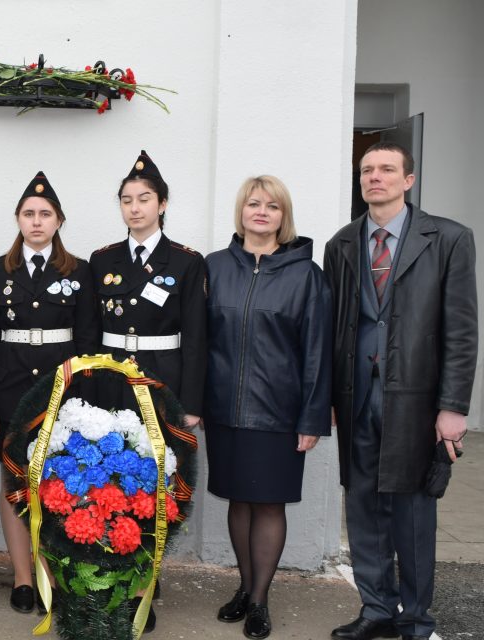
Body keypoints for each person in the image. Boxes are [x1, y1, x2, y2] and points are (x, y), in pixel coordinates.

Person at [324, 142, 477, 640]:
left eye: (387, 170)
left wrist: (452, 407)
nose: (376, 177)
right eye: (367, 170)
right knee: (362, 506)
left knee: (412, 513)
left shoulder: (448, 238)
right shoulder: (342, 244)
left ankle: (414, 618)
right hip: (355, 398)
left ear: (408, 180)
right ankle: (376, 609)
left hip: (415, 399)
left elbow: (460, 330)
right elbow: (333, 327)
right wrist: (327, 396)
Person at [204, 175, 332, 639]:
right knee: (238, 500)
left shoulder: (306, 275)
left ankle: (259, 599)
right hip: (223, 410)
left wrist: (313, 416)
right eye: (253, 203)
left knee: (269, 503)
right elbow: (203, 341)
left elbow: (318, 351)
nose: (261, 212)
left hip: (279, 412)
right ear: (241, 211)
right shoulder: (215, 267)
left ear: (284, 216)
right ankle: (243, 587)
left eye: (272, 206)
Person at [89, 150, 208, 631]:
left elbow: (198, 338)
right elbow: (90, 332)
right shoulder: (103, 260)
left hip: (163, 384)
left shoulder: (186, 262)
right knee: (110, 479)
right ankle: (114, 570)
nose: (134, 207)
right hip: (111, 384)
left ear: (162, 205)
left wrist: (192, 404)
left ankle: (145, 579)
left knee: (152, 484)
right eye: (126, 200)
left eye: (144, 199)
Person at [0, 171, 98, 615]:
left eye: (45, 214)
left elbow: (87, 343)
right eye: (28, 214)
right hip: (9, 393)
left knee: (55, 485)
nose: (36, 221)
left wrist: (83, 400)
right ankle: (22, 578)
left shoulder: (80, 272)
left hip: (60, 395)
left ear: (59, 220)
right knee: (14, 485)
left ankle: (50, 573)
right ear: (18, 220)